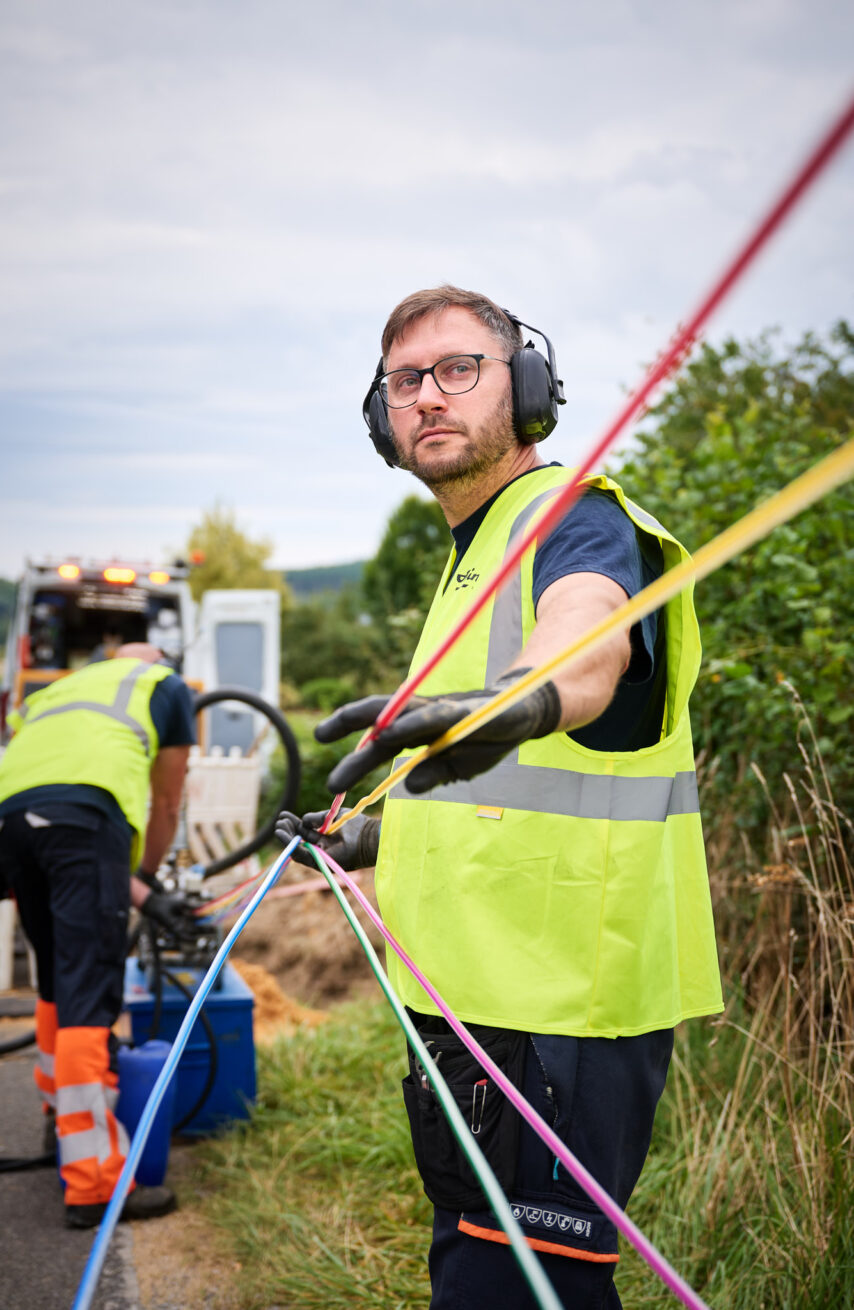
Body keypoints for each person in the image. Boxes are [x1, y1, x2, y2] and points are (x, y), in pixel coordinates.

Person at [276, 285, 723, 1308]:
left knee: (510, 1293)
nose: (428, 395)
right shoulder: (471, 553)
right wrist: (374, 836)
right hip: (476, 1005)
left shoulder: (570, 517)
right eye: (404, 381)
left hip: (560, 1007)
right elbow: (515, 798)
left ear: (523, 387)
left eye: (457, 369)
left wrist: (522, 700)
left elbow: (589, 631)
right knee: (486, 1277)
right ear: (380, 418)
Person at [0, 642, 196, 1228]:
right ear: (159, 658)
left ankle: (62, 1119)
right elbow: (165, 801)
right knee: (88, 993)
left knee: (59, 981)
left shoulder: (60, 688)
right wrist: (147, 881)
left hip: (9, 818)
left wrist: (131, 892)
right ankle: (93, 1184)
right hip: (86, 816)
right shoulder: (164, 685)